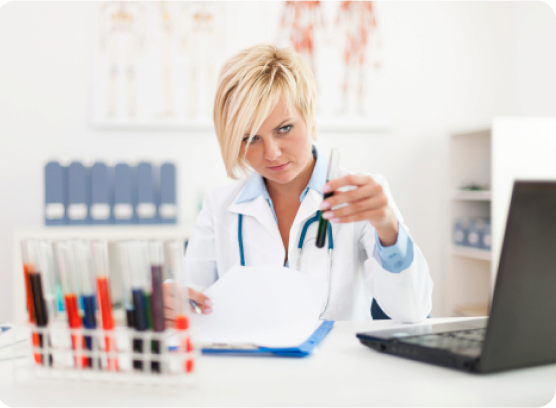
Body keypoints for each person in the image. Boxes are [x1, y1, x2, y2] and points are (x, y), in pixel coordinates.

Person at [184, 43, 432, 322]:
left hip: (337, 364)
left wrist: (389, 229)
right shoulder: (218, 206)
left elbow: (413, 312)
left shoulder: (361, 197)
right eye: (251, 138)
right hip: (252, 364)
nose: (272, 153)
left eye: (284, 129)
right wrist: (177, 302)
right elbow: (193, 301)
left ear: (309, 114)